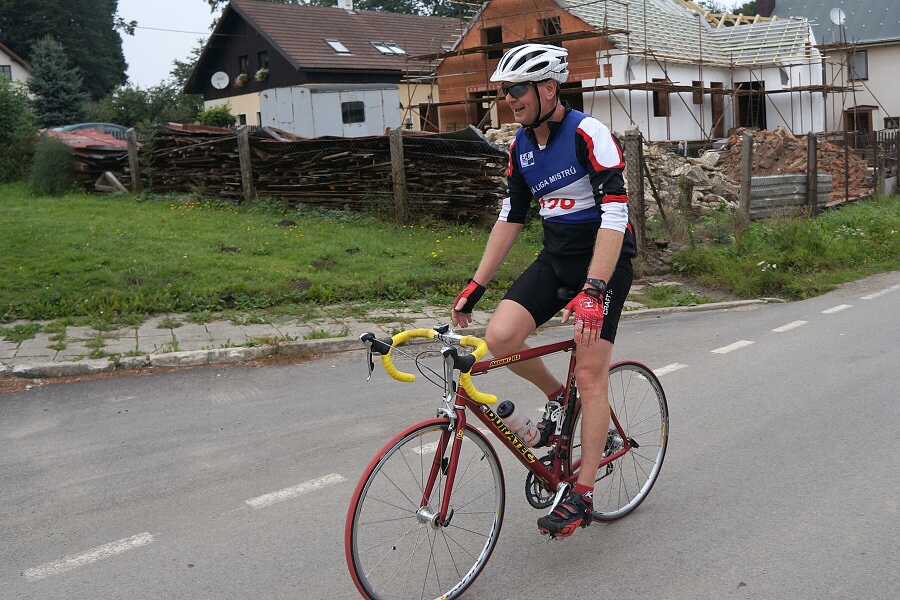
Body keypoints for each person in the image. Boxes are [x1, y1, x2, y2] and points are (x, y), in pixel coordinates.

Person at [451, 43, 637, 538]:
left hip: (604, 261)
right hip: (557, 257)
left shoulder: (588, 133)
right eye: (505, 91)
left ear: (549, 88)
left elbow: (615, 215)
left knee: (591, 374)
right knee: (501, 336)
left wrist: (595, 288)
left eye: (517, 89)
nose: (509, 98)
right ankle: (560, 398)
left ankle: (583, 492)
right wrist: (477, 284)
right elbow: (511, 215)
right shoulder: (521, 146)